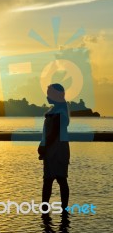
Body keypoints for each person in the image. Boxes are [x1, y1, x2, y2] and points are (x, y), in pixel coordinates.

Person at [38, 83, 70, 211]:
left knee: (57, 180)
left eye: (49, 94)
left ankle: (59, 209)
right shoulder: (56, 109)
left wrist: (44, 146)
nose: (47, 96)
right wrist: (43, 145)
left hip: (57, 149)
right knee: (52, 180)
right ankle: (57, 210)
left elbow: (54, 132)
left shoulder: (60, 111)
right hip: (55, 147)